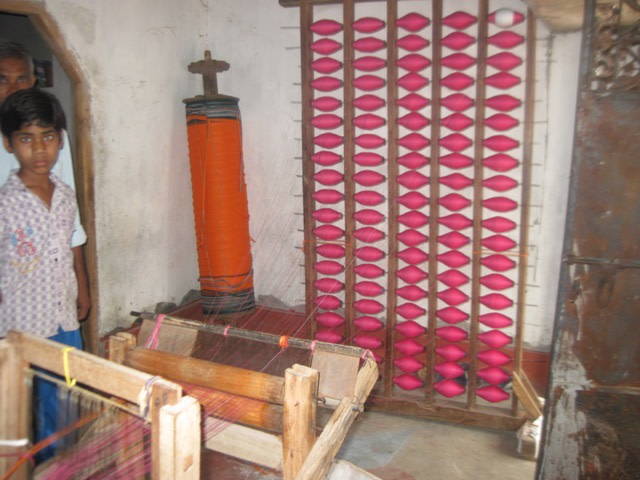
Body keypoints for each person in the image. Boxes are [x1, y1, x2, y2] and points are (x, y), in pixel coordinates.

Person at [0, 89, 83, 462]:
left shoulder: (65, 196)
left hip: (64, 318)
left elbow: (69, 249)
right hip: (19, 324)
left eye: (47, 137)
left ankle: (58, 464)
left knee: (65, 399)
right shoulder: (5, 203)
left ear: (60, 140)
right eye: (26, 138)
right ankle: (20, 465)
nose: (38, 150)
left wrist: (82, 290)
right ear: (8, 144)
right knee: (16, 404)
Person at [0, 39, 90, 321]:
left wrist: (82, 286)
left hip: (55, 296)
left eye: (22, 78)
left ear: (34, 80)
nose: (14, 89)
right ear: (9, 143)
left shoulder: (53, 139)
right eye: (3, 80)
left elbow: (70, 224)